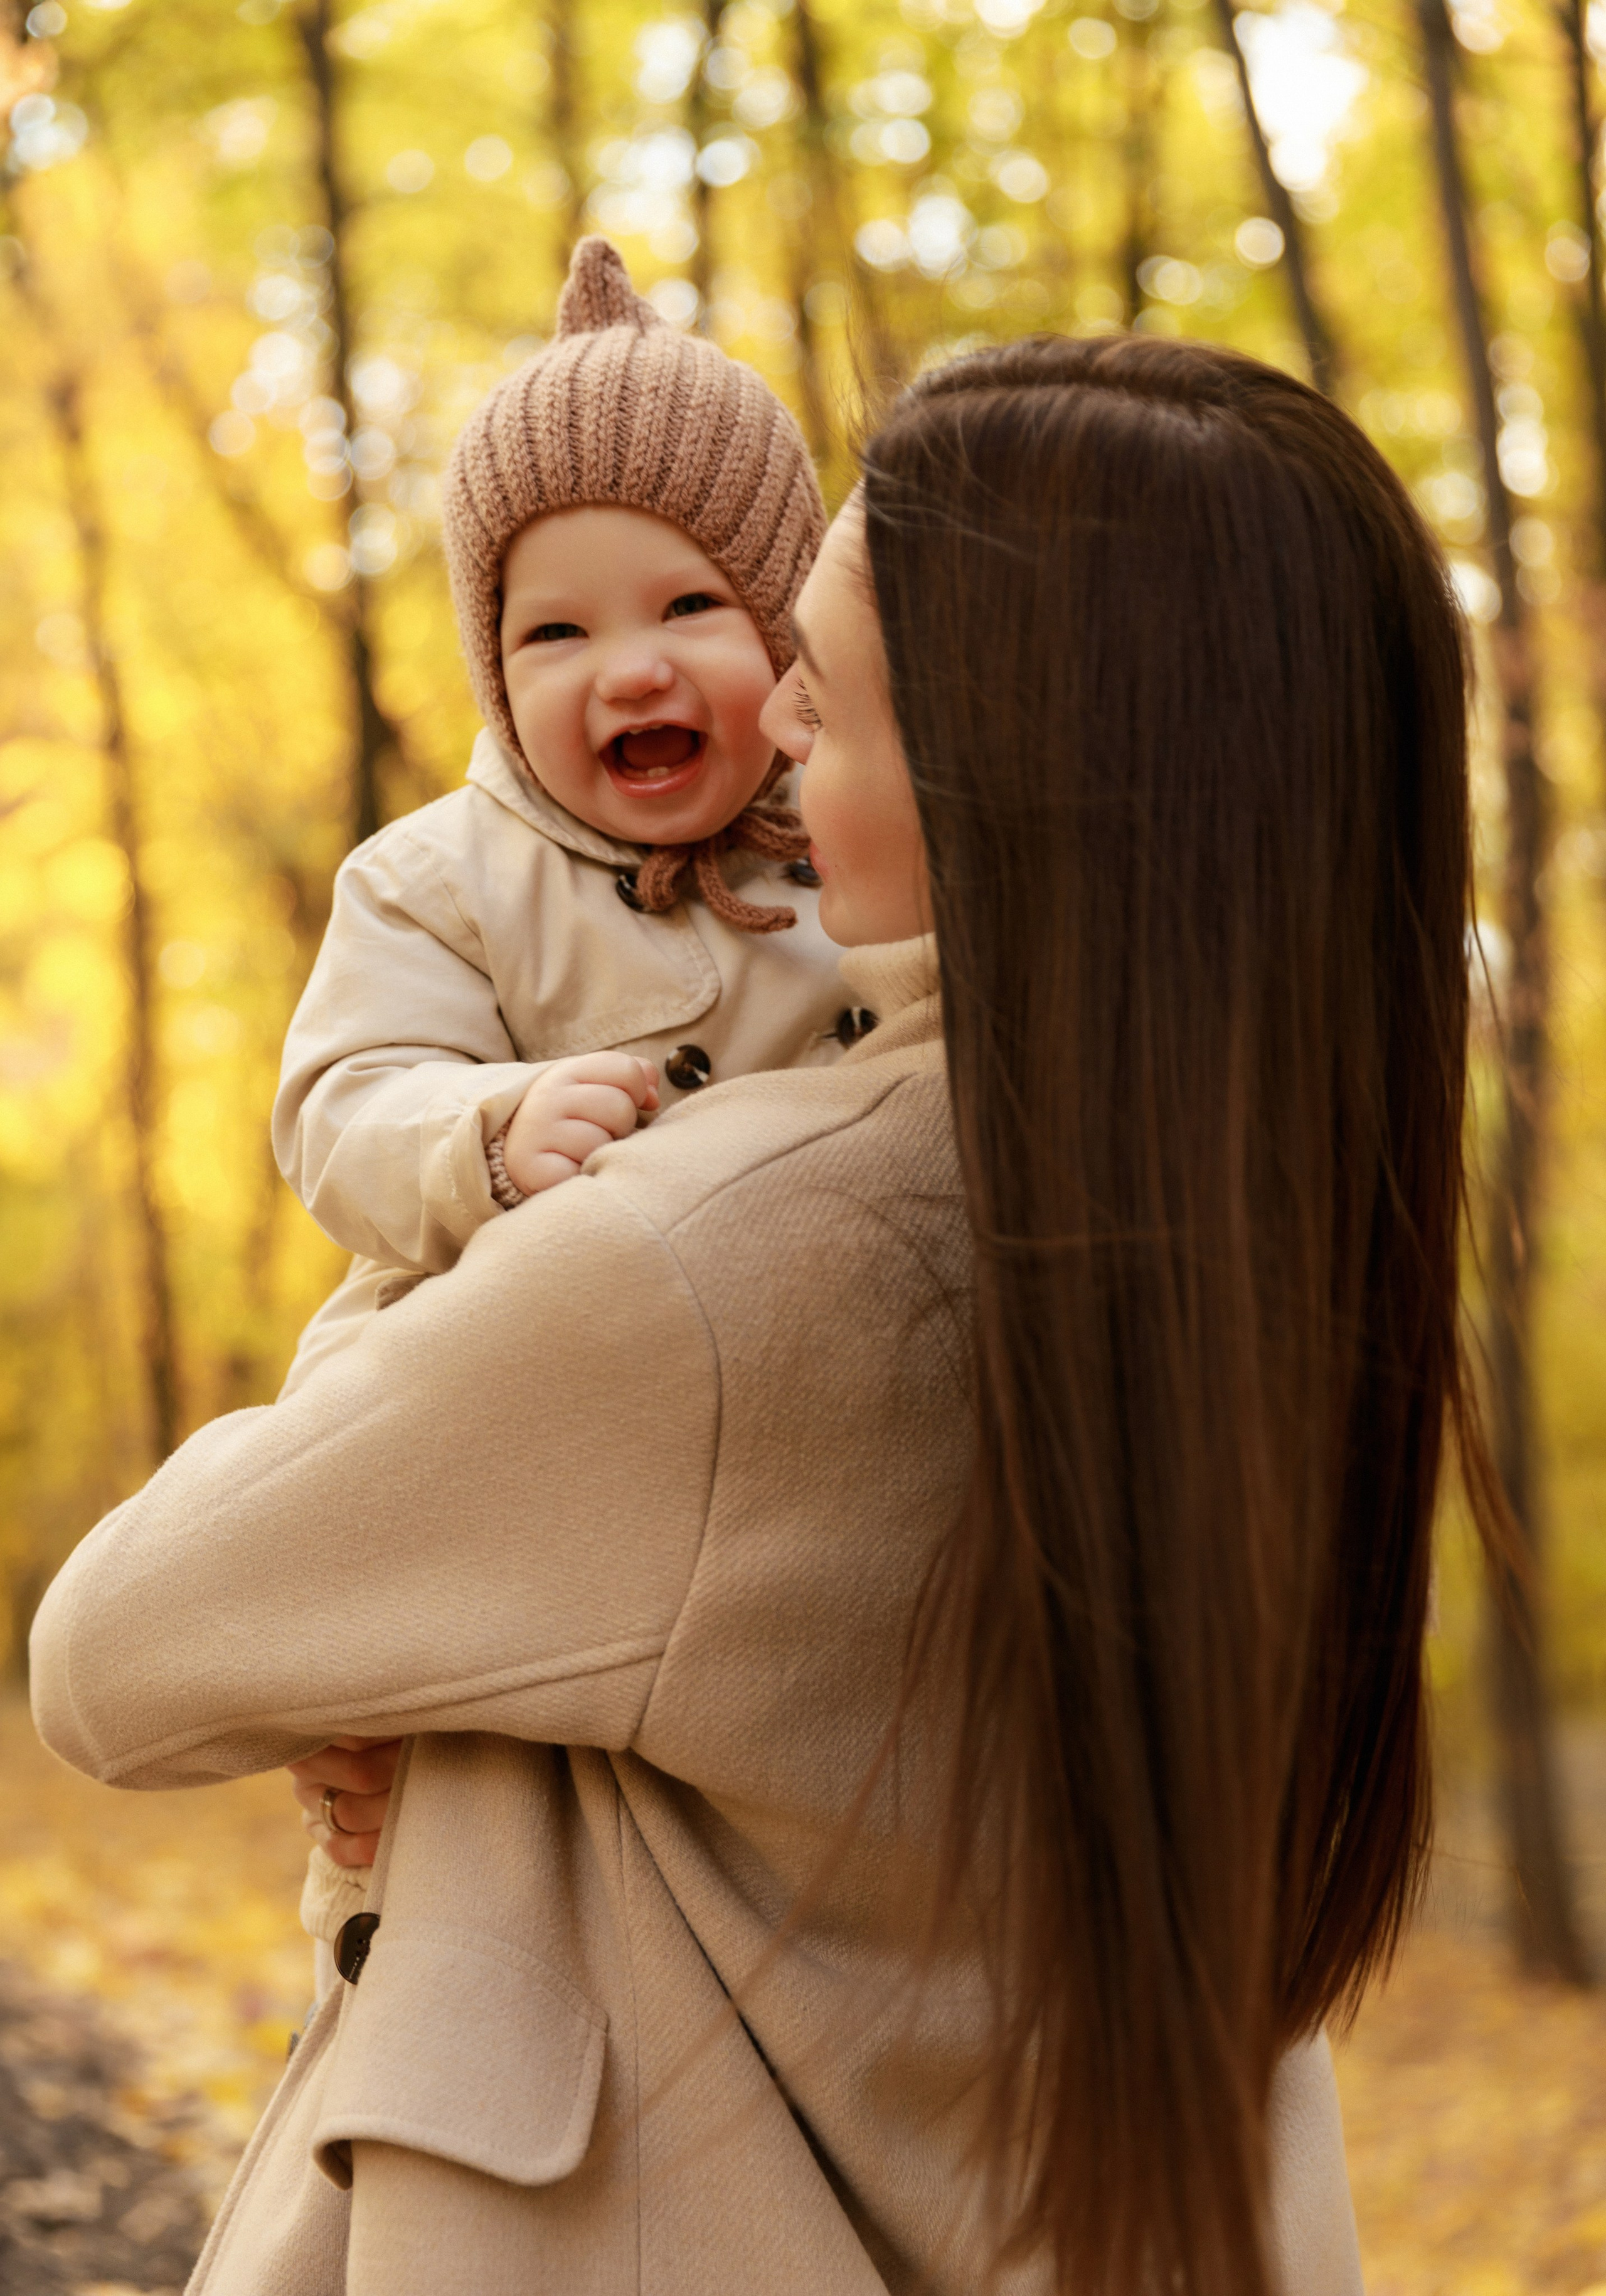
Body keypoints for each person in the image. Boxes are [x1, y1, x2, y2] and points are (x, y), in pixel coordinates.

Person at [31, 332, 1482, 2296]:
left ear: (990, 771)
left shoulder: (707, 1265)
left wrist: (415, 1676)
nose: (773, 720)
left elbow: (114, 1650)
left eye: (824, 683)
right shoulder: (1272, 1237)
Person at [273, 233, 853, 1968]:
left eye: (691, 607)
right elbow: (343, 1102)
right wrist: (485, 1133)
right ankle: (372, 1856)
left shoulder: (861, 849)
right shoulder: (441, 878)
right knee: (400, 1623)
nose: (630, 668)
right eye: (554, 630)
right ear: (490, 665)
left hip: (770, 1413)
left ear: (792, 624)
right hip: (484, 1376)